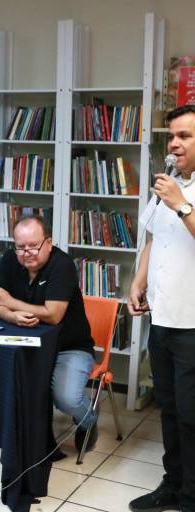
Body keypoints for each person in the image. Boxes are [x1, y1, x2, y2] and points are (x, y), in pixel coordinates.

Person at [127, 105, 195, 512]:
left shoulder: (177, 194)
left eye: (185, 136)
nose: (174, 143)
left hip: (193, 325)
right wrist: (137, 284)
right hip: (162, 320)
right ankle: (172, 484)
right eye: (171, 136)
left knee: (192, 415)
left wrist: (182, 205)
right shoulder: (167, 184)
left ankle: (191, 497)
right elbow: (152, 240)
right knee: (168, 410)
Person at [0, 216, 98, 455]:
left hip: (69, 347)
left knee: (67, 400)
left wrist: (11, 303)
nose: (27, 252)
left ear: (48, 243)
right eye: (20, 246)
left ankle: (88, 420)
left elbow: (53, 314)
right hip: (24, 344)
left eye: (33, 246)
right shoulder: (8, 260)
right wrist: (11, 316)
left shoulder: (62, 265)